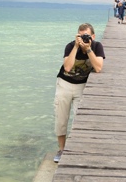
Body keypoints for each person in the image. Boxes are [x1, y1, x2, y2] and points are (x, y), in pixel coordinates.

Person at [53, 23, 105, 163]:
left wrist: (88, 49)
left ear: (93, 36)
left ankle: (76, 148)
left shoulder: (96, 46)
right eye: (81, 36)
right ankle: (62, 149)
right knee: (61, 118)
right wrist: (76, 47)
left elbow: (98, 67)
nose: (84, 39)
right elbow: (68, 67)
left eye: (87, 36)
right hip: (64, 83)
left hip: (82, 85)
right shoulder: (71, 46)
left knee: (79, 118)